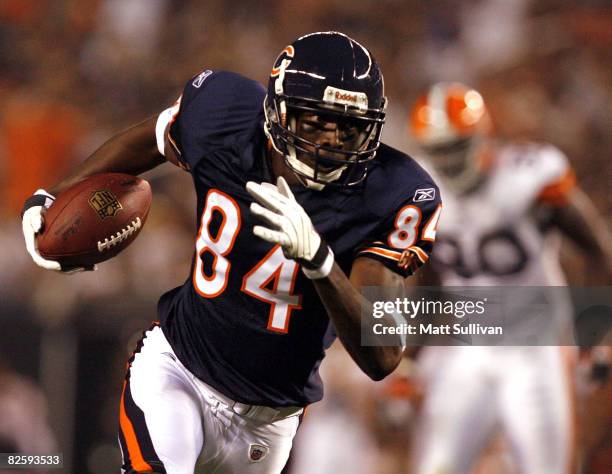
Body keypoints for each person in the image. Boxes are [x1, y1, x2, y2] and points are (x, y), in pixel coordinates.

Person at [21, 32, 441, 473]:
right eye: (315, 121)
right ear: (278, 111)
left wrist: (320, 262)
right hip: (177, 370)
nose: (332, 140)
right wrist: (56, 197)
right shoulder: (223, 114)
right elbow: (149, 141)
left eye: (350, 127)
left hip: (269, 423)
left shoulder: (393, 191)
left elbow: (383, 355)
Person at [407, 82, 612, 474]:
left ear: (483, 136)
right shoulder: (422, 188)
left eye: (455, 147)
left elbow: (597, 249)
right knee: (434, 466)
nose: (448, 160)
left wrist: (592, 336)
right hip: (467, 349)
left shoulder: (527, 174)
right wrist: (410, 361)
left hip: (537, 350)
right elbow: (428, 276)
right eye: (439, 150)